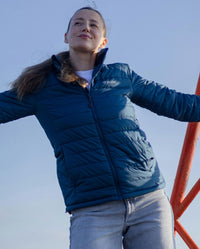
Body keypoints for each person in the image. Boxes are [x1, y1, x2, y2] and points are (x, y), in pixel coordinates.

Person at [1, 6, 200, 249]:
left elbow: (178, 104)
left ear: (103, 41)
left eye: (94, 24)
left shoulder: (121, 76)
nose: (85, 27)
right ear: (66, 37)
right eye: (78, 23)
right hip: (92, 209)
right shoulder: (41, 89)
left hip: (148, 201)